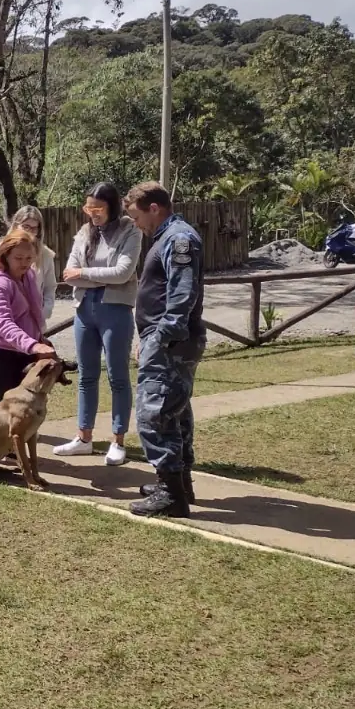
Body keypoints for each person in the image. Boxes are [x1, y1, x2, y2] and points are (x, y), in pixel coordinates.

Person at [125, 181, 206, 518]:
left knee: (154, 413)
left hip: (171, 343)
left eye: (136, 216)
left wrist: (161, 336)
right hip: (171, 341)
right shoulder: (167, 237)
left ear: (153, 208)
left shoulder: (178, 238)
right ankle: (177, 483)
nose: (135, 223)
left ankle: (171, 495)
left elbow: (182, 293)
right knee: (175, 411)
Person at [54, 183, 144, 467]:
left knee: (118, 377)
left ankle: (118, 441)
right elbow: (68, 274)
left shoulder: (131, 230)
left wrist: (85, 273)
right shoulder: (84, 232)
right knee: (86, 376)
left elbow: (123, 272)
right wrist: (90, 276)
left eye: (98, 209)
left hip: (115, 310)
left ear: (113, 207)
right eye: (88, 208)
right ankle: (84, 438)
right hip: (84, 310)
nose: (92, 214)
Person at [0, 230, 57, 418]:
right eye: (18, 258)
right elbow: (3, 322)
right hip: (1, 352)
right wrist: (33, 344)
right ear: (5, 256)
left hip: (25, 350)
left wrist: (38, 336)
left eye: (29, 258)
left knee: (22, 401)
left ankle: (10, 445)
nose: (25, 263)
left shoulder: (28, 276)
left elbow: (33, 310)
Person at [0, 206, 57, 324]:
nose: (30, 231)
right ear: (15, 226)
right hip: (4, 322)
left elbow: (50, 286)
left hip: (34, 323)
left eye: (34, 228)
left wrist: (45, 311)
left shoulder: (45, 255)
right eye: (26, 226)